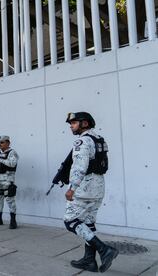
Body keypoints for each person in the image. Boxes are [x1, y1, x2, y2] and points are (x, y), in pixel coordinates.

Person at [63, 112, 118, 273]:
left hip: (84, 188)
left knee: (70, 221)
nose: (71, 126)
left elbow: (80, 166)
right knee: (88, 223)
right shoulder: (99, 139)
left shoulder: (82, 141)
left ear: (84, 123)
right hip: (98, 187)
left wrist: (72, 188)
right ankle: (89, 261)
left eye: (73, 123)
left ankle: (104, 250)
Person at [0, 135, 19, 229]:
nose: (0, 144)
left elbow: (12, 163)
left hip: (8, 180)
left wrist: (0, 160)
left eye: (2, 142)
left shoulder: (12, 152)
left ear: (8, 142)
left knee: (10, 200)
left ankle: (13, 221)